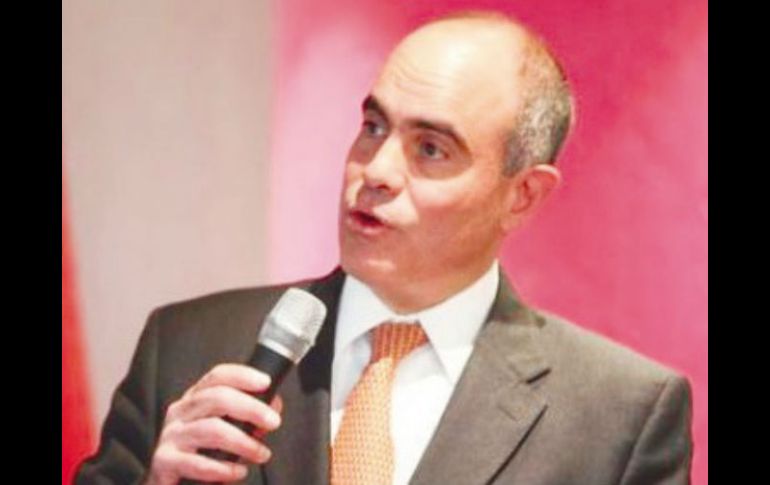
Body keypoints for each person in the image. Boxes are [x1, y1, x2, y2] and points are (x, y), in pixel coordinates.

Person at [76, 10, 692, 485]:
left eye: (431, 149)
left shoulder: (620, 414)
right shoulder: (188, 347)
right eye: (373, 127)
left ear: (522, 195)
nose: (375, 170)